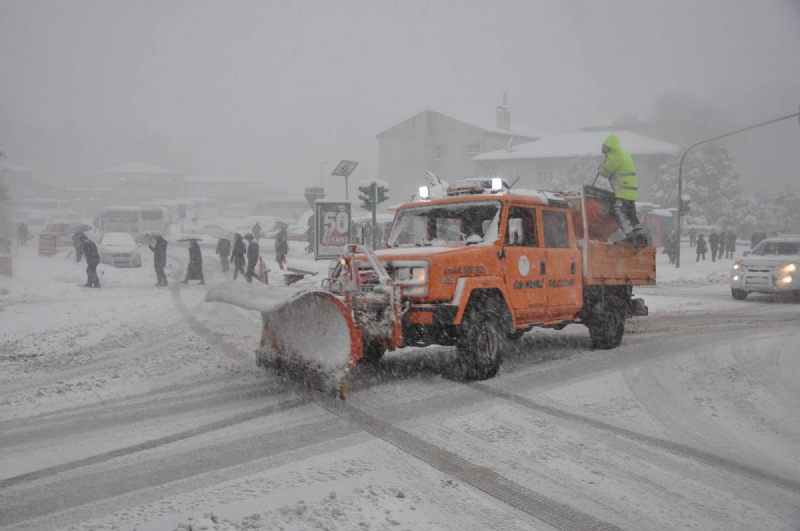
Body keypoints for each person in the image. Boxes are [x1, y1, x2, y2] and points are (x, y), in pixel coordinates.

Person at [598, 134, 647, 245]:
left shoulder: (615, 155)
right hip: (631, 191)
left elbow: (604, 172)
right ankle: (641, 236)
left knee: (619, 210)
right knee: (631, 215)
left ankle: (630, 235)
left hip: (622, 190)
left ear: (608, 147)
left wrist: (600, 167)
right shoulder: (625, 154)